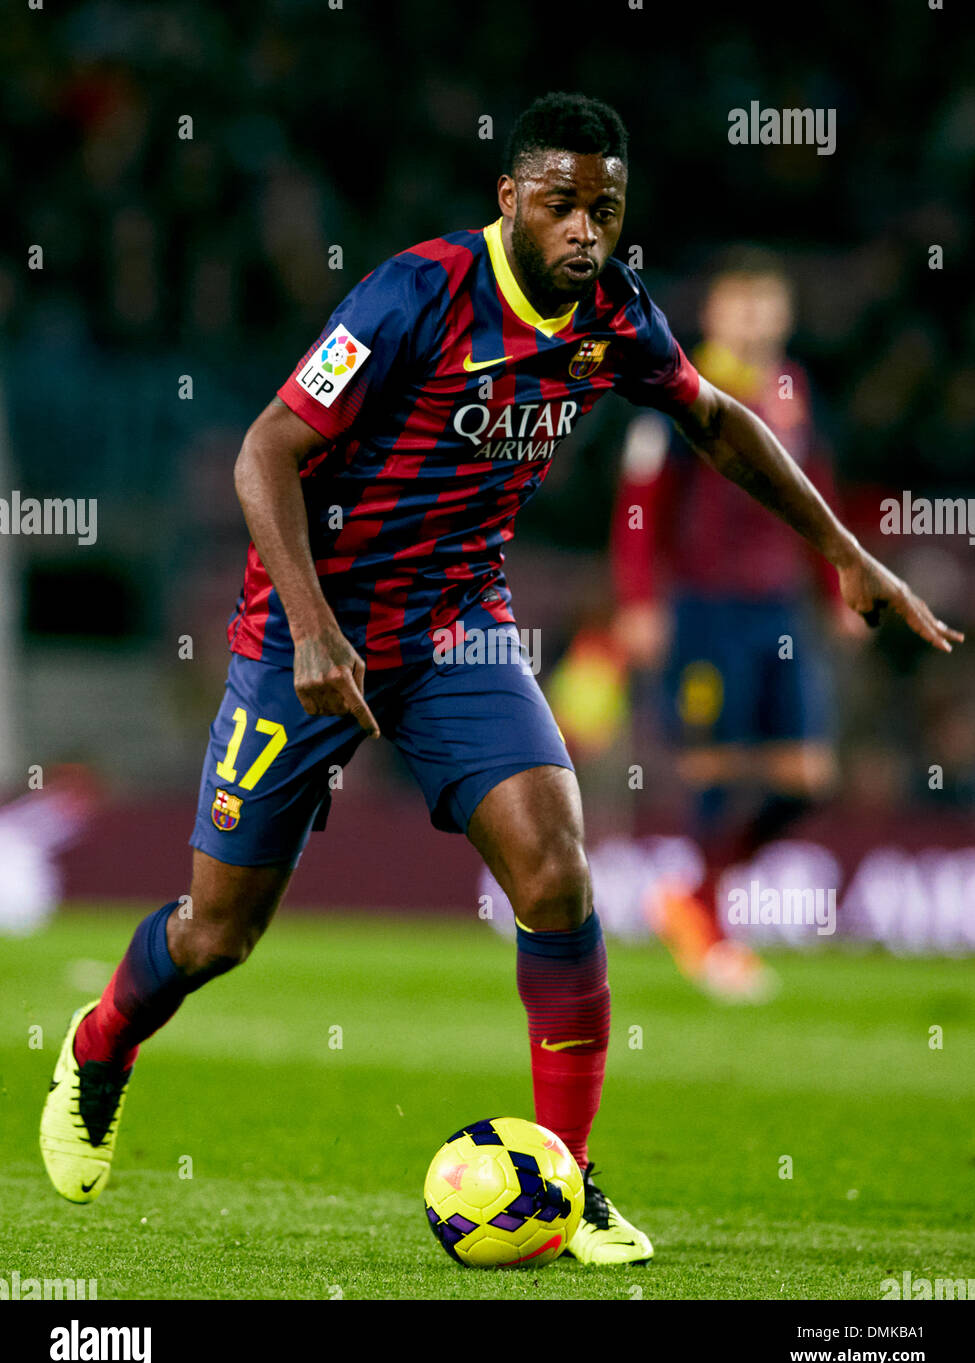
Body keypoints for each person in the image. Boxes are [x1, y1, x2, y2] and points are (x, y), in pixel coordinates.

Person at [40, 93, 962, 1266]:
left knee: (556, 872)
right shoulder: (415, 294)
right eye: (566, 204)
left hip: (458, 632)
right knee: (219, 933)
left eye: (608, 210)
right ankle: (103, 1042)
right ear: (511, 200)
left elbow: (717, 420)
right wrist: (317, 631)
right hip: (301, 635)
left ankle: (567, 1186)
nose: (588, 230)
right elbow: (265, 448)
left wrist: (846, 553)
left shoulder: (617, 315)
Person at [611, 253, 860, 1000]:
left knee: (806, 776)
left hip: (777, 606)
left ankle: (691, 900)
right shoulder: (680, 385)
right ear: (715, 315)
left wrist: (837, 580)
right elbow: (640, 499)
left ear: (782, 317)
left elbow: (812, 492)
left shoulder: (792, 391)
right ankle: (707, 926)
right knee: (714, 770)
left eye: (765, 308)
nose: (753, 321)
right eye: (739, 307)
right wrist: (638, 598)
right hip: (703, 606)